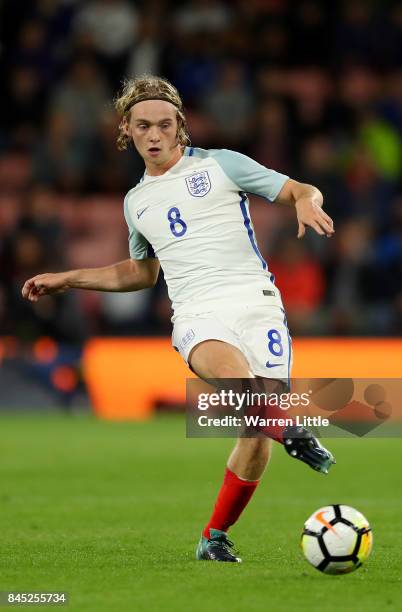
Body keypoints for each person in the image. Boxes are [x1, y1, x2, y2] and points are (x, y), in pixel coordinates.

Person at [22, 75, 336, 563]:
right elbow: (141, 273)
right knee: (238, 383)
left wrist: (309, 200)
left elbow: (298, 189)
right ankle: (294, 429)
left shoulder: (222, 164)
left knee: (255, 437)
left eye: (164, 125)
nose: (154, 135)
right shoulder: (136, 202)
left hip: (257, 303)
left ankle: (214, 536)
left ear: (179, 127)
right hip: (197, 311)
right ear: (127, 128)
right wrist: (69, 278)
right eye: (143, 125)